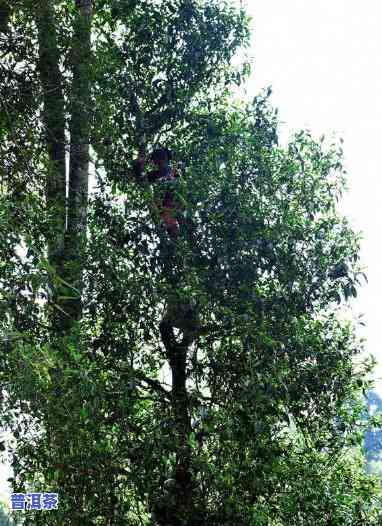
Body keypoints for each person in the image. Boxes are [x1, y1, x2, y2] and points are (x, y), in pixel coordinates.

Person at [132, 147, 182, 238]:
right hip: (166, 195)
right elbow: (142, 179)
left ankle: (173, 231)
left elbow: (143, 180)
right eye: (155, 161)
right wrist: (139, 164)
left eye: (173, 225)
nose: (155, 163)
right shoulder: (159, 173)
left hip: (166, 195)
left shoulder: (172, 172)